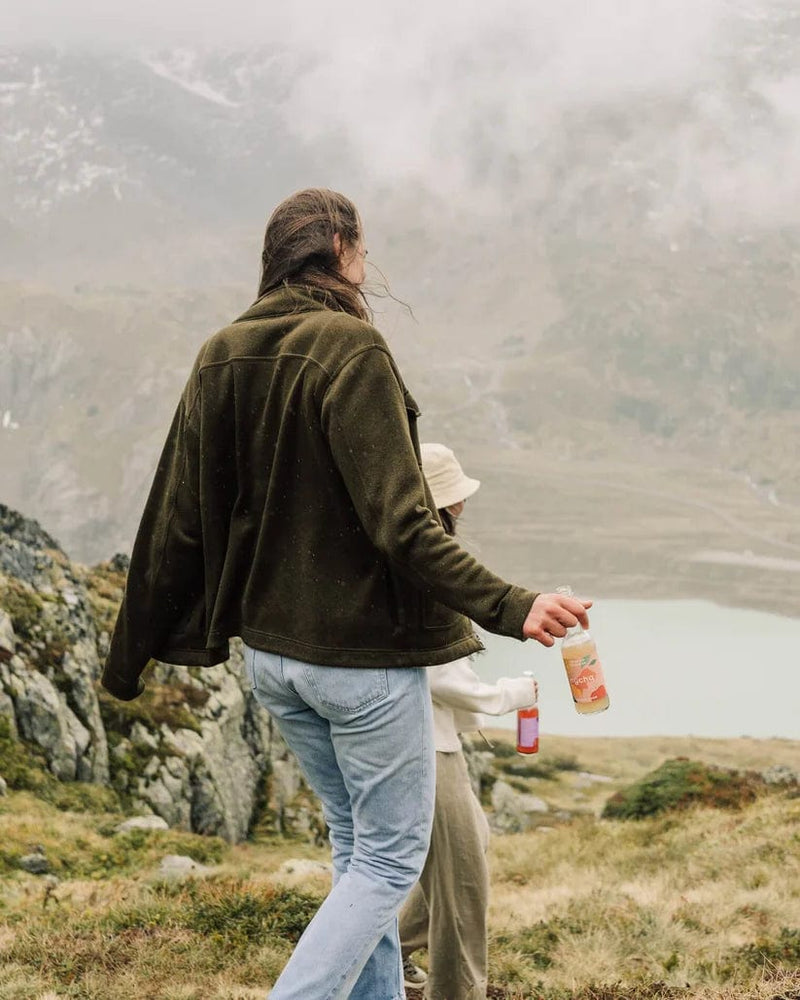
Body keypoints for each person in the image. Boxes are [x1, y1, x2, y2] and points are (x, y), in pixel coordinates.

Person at [101, 188, 591, 1000]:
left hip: (273, 661)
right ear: (337, 245)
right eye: (363, 249)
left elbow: (177, 518)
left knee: (357, 850)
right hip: (358, 664)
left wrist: (127, 662)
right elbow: (406, 527)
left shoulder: (221, 351)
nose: (369, 266)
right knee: (393, 859)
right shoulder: (350, 348)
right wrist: (516, 604)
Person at [399, 443, 539, 1000]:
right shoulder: (422, 573)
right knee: (462, 885)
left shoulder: (405, 561)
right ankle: (457, 992)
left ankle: (380, 946)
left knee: (470, 844)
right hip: (425, 744)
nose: (464, 510)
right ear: (442, 509)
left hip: (423, 738)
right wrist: (511, 694)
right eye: (457, 500)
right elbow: (437, 675)